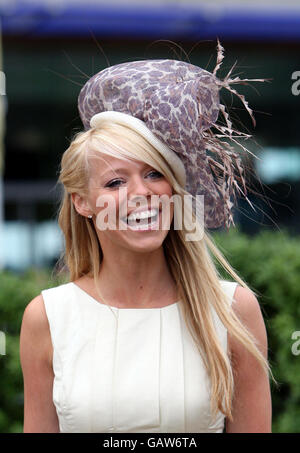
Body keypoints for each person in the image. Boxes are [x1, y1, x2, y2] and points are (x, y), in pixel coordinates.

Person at [20, 41, 272, 433]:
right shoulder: (48, 317)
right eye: (116, 181)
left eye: (154, 173)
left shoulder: (232, 310)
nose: (141, 193)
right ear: (83, 203)